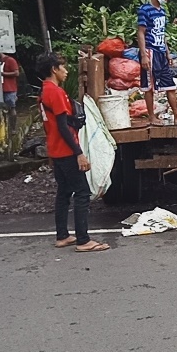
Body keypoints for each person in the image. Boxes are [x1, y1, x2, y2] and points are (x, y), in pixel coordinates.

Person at [37, 52, 109, 253]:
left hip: (56, 149)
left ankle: (62, 235)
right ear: (54, 69)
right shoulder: (56, 93)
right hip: (66, 149)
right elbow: (62, 126)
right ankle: (83, 240)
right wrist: (79, 153)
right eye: (62, 67)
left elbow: (50, 125)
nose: (66, 71)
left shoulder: (43, 92)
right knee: (82, 192)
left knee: (64, 192)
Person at [137, 0, 177, 126]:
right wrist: (144, 55)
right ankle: (151, 117)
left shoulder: (162, 11)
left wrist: (167, 52)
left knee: (169, 83)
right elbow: (140, 33)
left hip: (160, 52)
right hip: (150, 52)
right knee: (149, 86)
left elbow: (161, 33)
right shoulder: (145, 10)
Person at [0, 53, 20, 133]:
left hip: (9, 88)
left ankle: (12, 128)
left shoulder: (10, 60)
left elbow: (16, 73)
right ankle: (0, 129)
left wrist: (1, 73)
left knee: (11, 107)